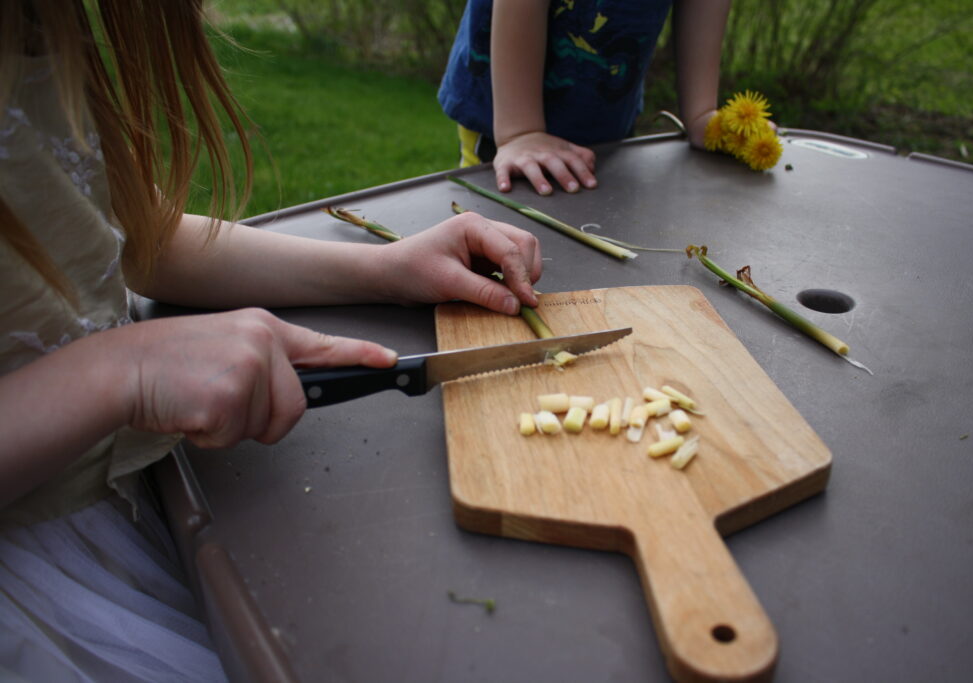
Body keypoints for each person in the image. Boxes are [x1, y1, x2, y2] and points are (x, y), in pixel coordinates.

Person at [0, 2, 541, 680]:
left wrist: (383, 269)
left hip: (142, 497)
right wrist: (122, 369)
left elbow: (118, 235)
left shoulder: (42, 19)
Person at [438, 0, 730, 195]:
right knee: (500, 239)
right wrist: (519, 131)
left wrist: (700, 113)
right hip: (505, 119)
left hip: (604, 115)